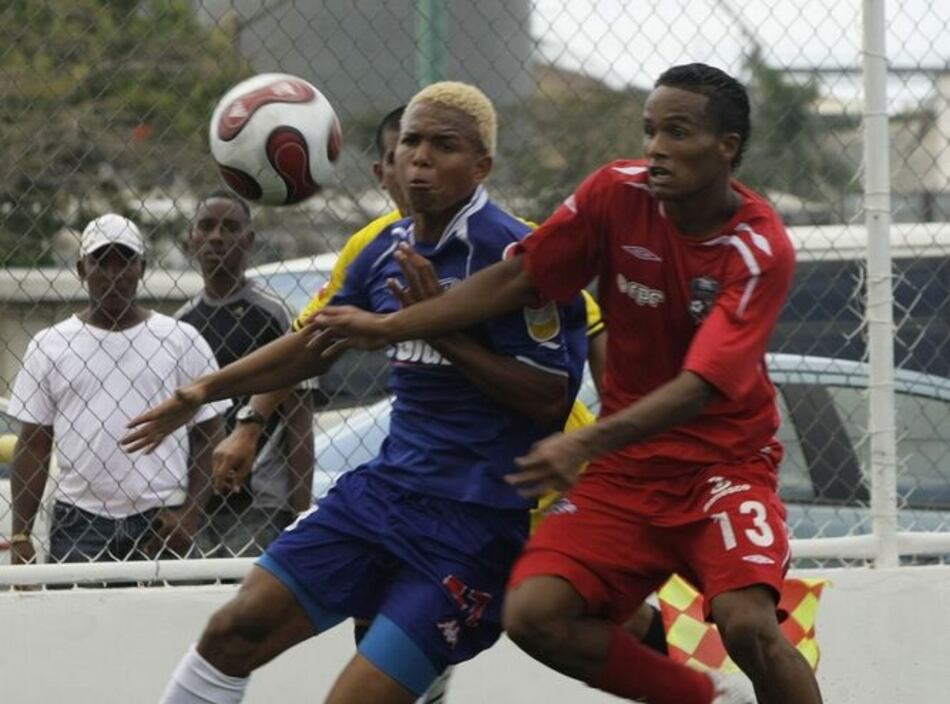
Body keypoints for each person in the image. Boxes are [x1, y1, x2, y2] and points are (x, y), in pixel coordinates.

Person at [309, 64, 824, 704]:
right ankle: (705, 698)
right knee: (533, 612)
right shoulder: (616, 193)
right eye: (650, 130)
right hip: (628, 472)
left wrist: (584, 443)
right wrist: (394, 327)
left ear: (727, 147)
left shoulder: (756, 246)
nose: (656, 147)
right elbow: (520, 279)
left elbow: (700, 385)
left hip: (723, 469)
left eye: (678, 132)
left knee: (749, 626)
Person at [122, 81, 587, 704]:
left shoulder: (516, 257)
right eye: (412, 142)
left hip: (474, 525)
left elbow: (547, 398)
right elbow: (316, 341)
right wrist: (205, 388)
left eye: (443, 145)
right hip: (384, 495)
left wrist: (439, 327)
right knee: (234, 630)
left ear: (482, 166)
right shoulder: (382, 248)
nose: (420, 157)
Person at [8, 214, 225, 567]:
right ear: (81, 268)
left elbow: (209, 434)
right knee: (80, 620)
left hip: (162, 516)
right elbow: (34, 443)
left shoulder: (180, 339)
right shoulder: (50, 345)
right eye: (100, 261)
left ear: (141, 268)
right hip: (80, 520)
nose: (113, 273)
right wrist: (21, 534)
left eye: (124, 261)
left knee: (165, 619)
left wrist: (191, 513)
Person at [176, 192, 315, 558]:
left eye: (230, 227)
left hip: (262, 504)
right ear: (192, 237)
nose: (217, 237)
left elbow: (299, 416)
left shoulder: (275, 314)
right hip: (200, 504)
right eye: (206, 226)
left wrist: (302, 513)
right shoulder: (181, 324)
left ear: (249, 240)